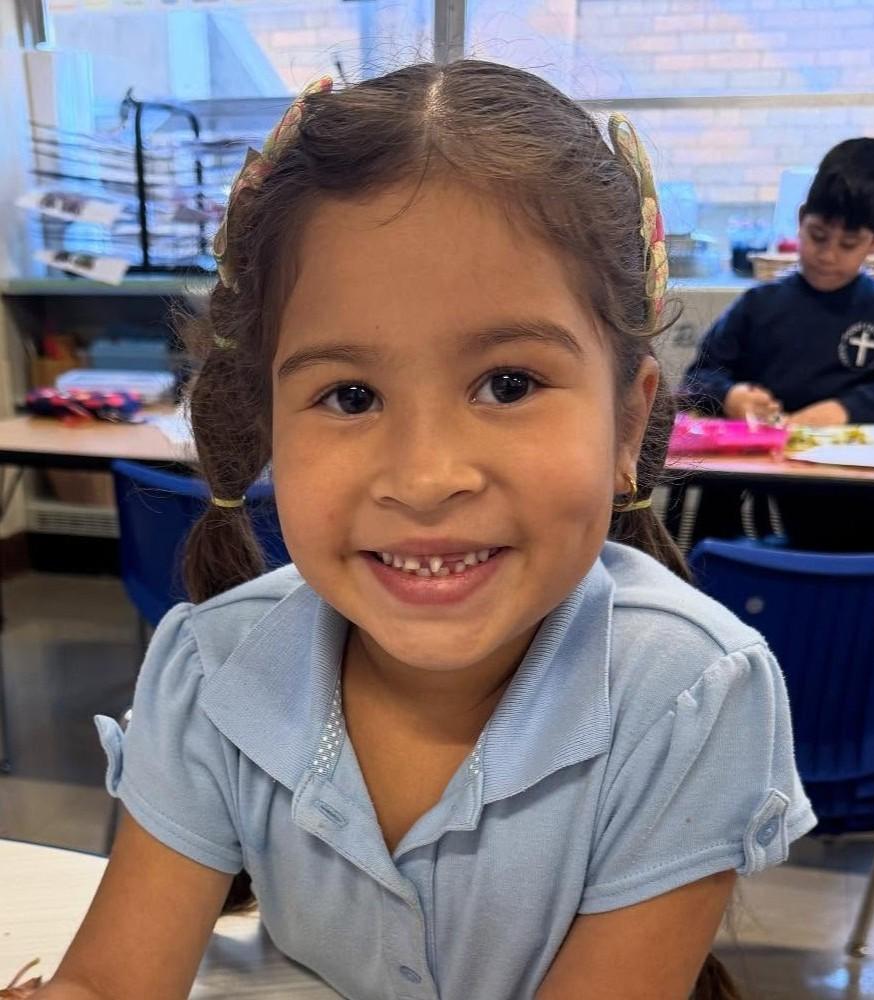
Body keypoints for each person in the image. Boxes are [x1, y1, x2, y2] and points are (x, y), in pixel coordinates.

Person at [38, 62, 815, 1000]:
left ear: (624, 425)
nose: (425, 477)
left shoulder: (690, 692)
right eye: (350, 396)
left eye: (510, 384)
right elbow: (110, 983)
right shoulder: (213, 668)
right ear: (267, 423)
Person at [680, 138, 874, 551]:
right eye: (817, 236)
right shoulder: (760, 306)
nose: (828, 255)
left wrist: (843, 410)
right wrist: (733, 396)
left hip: (867, 491)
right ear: (800, 221)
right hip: (775, 489)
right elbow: (699, 377)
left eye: (848, 244)